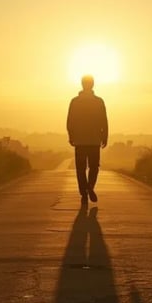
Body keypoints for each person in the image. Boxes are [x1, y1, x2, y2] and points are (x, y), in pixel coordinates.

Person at [66, 74, 108, 205]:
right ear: (93, 84)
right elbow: (104, 120)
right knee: (94, 167)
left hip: (80, 140)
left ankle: (84, 192)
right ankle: (90, 187)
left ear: (82, 84)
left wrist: (71, 135)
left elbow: (70, 121)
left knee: (80, 168)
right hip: (94, 140)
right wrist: (105, 136)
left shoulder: (75, 102)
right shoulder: (99, 101)